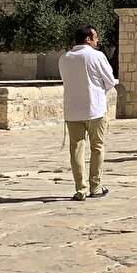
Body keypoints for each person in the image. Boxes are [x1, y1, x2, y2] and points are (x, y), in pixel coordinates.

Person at [58, 26, 118, 201]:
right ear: (88, 39)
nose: (97, 41)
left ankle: (81, 189)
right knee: (97, 148)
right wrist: (97, 93)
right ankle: (95, 186)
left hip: (72, 110)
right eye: (95, 37)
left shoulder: (64, 58)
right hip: (95, 110)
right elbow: (109, 81)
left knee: (76, 149)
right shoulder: (97, 56)